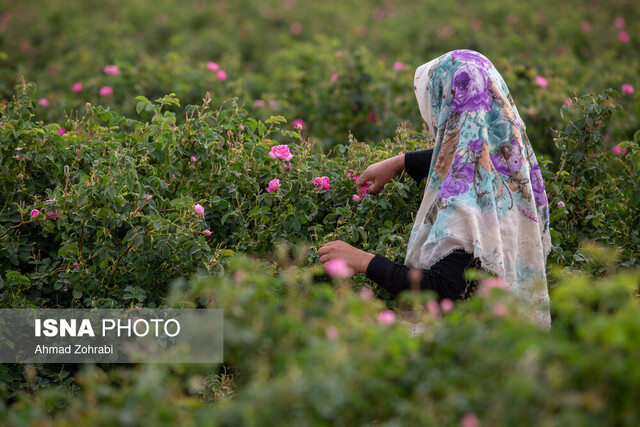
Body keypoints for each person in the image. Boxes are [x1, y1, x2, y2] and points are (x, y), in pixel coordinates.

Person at [318, 49, 552, 327]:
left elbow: (445, 288)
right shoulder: (511, 163)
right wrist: (401, 162)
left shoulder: (467, 201)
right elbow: (466, 153)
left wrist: (362, 260)